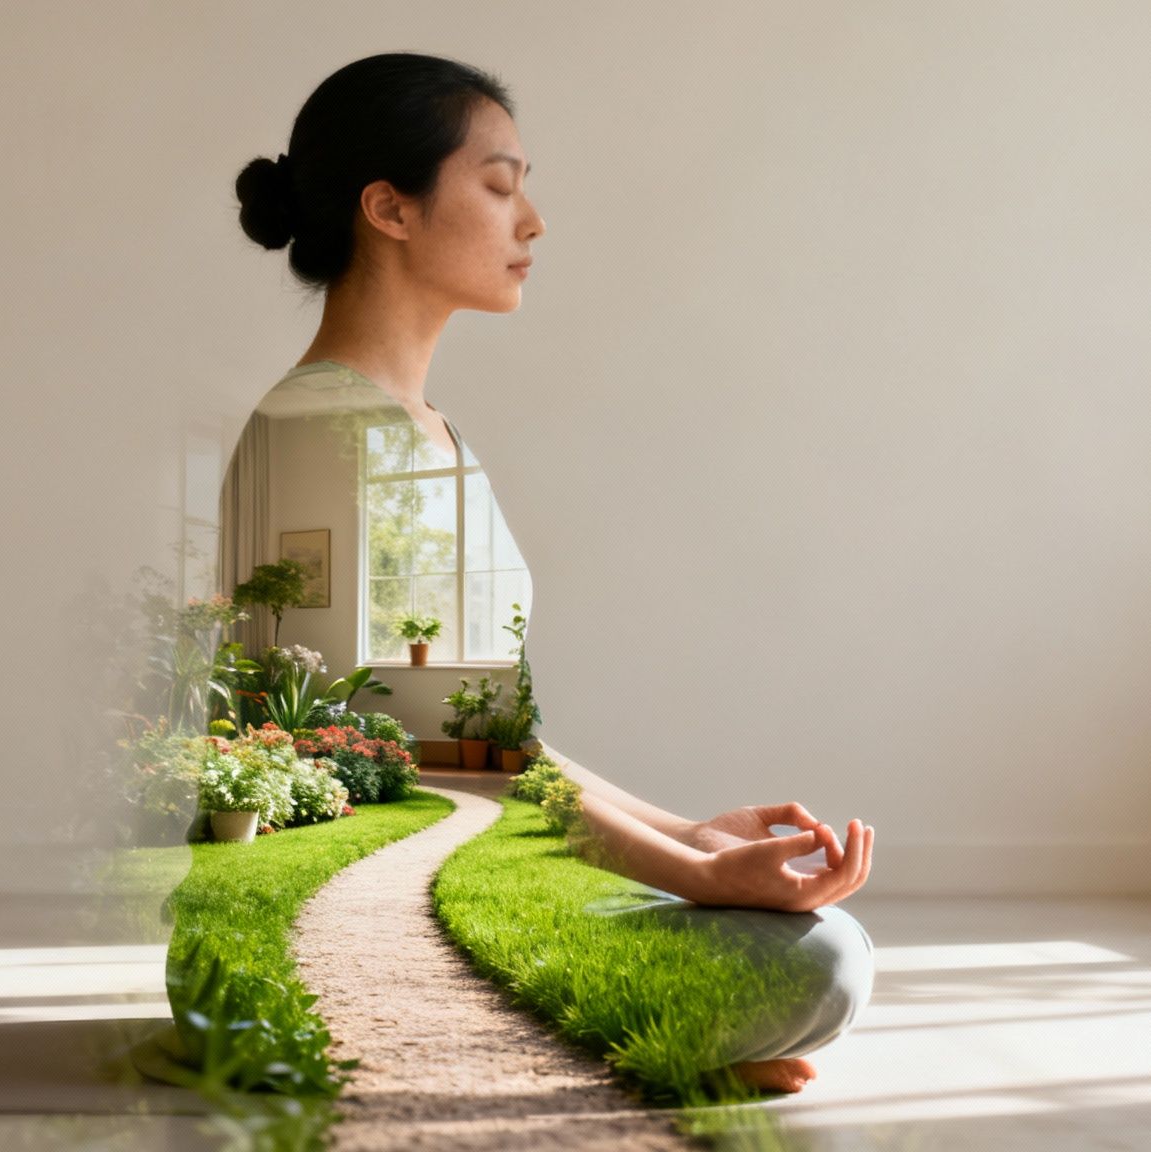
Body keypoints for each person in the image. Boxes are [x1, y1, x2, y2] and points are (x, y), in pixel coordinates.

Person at [234, 51, 875, 1096]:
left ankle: (597, 1033)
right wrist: (693, 875)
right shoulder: (328, 435)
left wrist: (685, 835)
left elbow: (484, 742)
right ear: (390, 209)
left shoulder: (411, 429)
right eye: (498, 186)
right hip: (347, 918)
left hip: (430, 877)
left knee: (803, 957)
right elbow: (412, 757)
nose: (530, 222)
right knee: (814, 964)